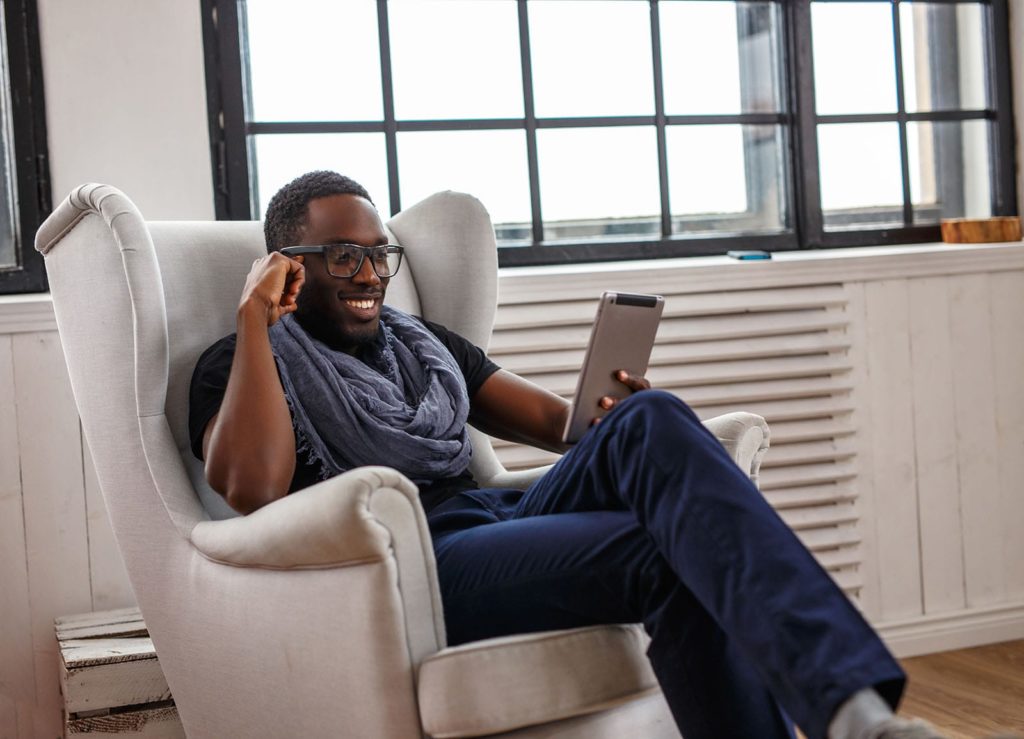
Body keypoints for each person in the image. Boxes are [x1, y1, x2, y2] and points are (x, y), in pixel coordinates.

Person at [188, 170, 942, 739]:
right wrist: (256, 320)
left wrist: (609, 411)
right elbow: (252, 486)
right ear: (288, 262)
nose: (370, 275)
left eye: (378, 255)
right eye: (344, 255)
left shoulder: (422, 349)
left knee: (648, 417)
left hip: (504, 513)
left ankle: (857, 715)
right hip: (418, 558)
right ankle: (853, 709)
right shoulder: (240, 362)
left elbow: (561, 426)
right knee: (668, 555)